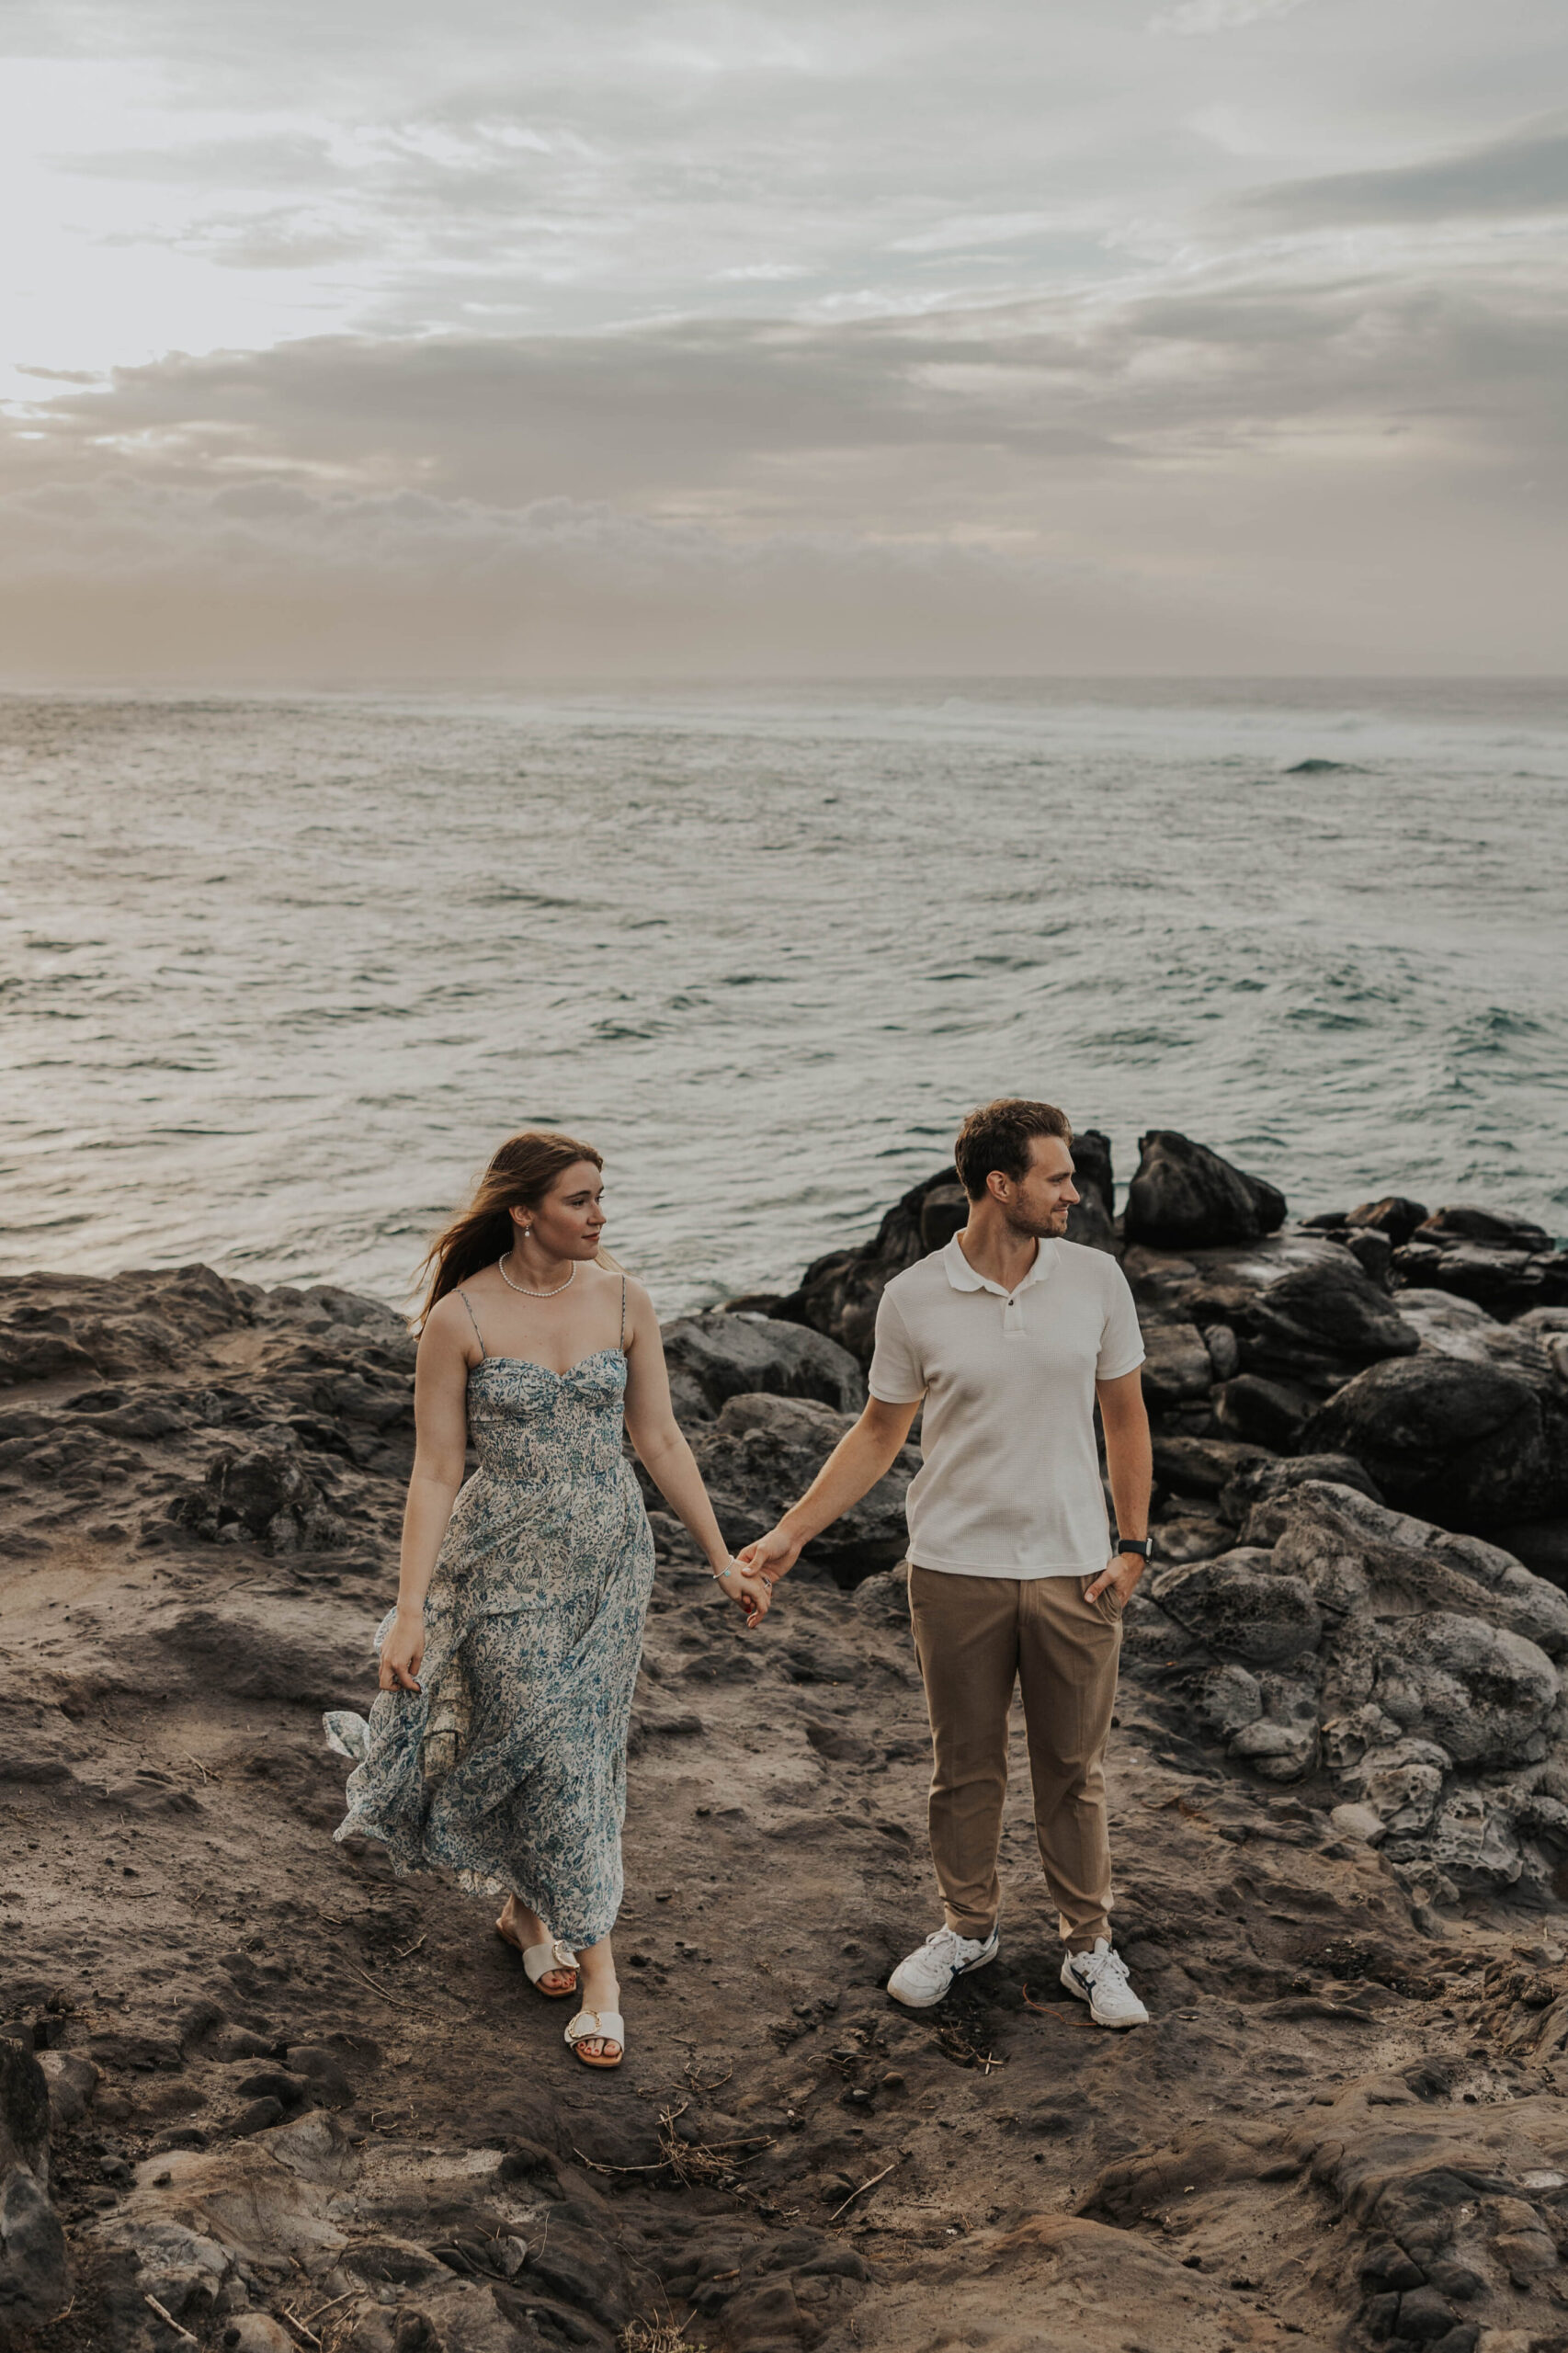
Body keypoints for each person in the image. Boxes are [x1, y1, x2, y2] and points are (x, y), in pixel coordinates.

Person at [328, 1130, 772, 2070]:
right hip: (498, 1565)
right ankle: (601, 1973)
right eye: (579, 1200)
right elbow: (437, 1469)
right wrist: (409, 1608)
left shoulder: (624, 1298)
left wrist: (719, 1556)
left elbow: (658, 1440)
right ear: (522, 1210)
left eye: (600, 1197)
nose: (599, 1215)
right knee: (546, 1743)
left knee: (577, 1746)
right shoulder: (461, 1318)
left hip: (610, 1562)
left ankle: (524, 1913)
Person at [740, 1098, 1153, 2029]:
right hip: (952, 1568)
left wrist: (1131, 1548)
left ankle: (1087, 1948)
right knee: (962, 1768)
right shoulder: (913, 1297)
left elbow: (1125, 1419)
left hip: (1073, 1568)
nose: (1073, 1192)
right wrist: (789, 1533)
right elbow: (877, 1432)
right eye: (1055, 1177)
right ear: (998, 1185)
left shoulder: (1094, 1279)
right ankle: (968, 1928)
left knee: (1069, 1770)